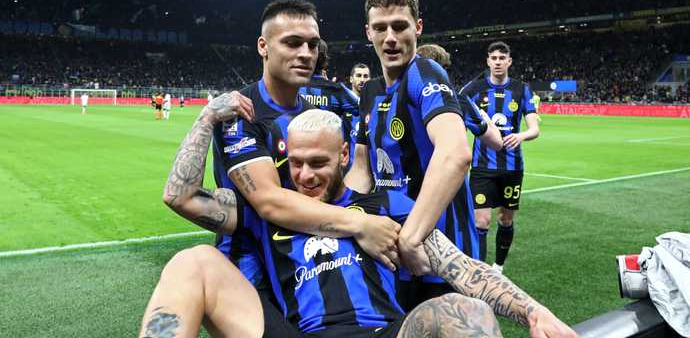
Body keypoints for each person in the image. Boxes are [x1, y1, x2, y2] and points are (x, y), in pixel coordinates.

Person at [142, 108, 577, 338]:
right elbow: (179, 196)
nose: (305, 175)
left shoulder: (385, 206)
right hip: (296, 333)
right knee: (194, 261)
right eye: (295, 163)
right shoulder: (263, 210)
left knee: (466, 310)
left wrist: (533, 312)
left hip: (382, 332)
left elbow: (460, 268)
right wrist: (204, 120)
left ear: (345, 157)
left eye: (319, 163)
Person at [162, 0, 401, 315]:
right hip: (252, 262)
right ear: (263, 46)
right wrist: (360, 224)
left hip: (305, 253)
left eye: (312, 45)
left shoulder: (316, 115)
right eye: (292, 43)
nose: (306, 54)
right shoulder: (241, 112)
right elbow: (269, 202)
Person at [346, 0, 502, 310]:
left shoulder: (424, 74)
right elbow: (361, 171)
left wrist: (412, 235)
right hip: (394, 251)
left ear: (417, 28)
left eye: (400, 26)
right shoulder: (370, 93)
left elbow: (455, 153)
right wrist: (343, 218)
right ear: (368, 32)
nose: (390, 37)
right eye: (380, 28)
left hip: (440, 253)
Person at [460, 41, 540, 272]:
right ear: (488, 61)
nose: (497, 62)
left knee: (506, 219)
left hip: (513, 168)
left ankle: (499, 266)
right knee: (481, 221)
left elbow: (535, 128)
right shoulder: (474, 90)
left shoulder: (521, 89)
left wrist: (521, 136)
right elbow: (457, 118)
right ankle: (480, 270)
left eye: (501, 58)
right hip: (482, 167)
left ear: (509, 62)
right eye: (493, 58)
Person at [341, 63, 371, 169]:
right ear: (351, 79)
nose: (362, 80)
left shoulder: (375, 105)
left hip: (370, 169)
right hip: (348, 168)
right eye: (358, 75)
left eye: (365, 76)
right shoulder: (341, 106)